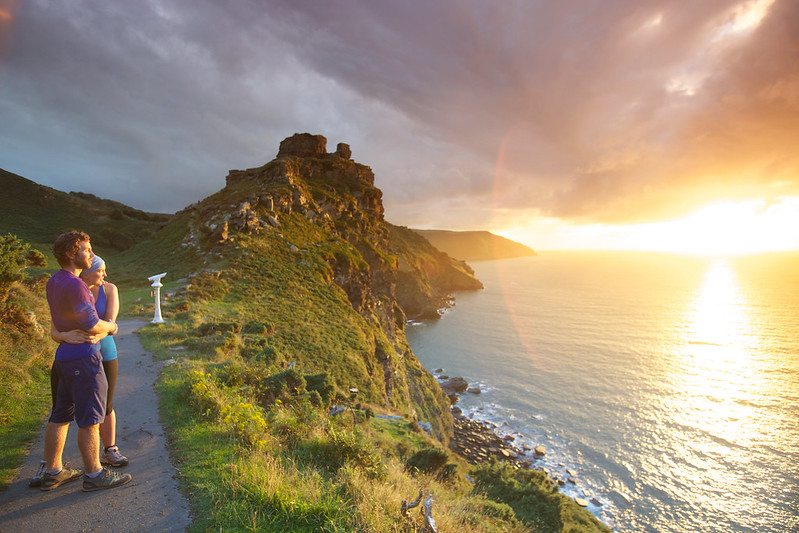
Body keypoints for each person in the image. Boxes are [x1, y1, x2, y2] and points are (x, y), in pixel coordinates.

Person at [39, 230, 131, 492]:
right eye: (87, 249)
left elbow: (58, 324)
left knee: (60, 414)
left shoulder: (54, 281)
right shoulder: (76, 284)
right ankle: (94, 474)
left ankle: (53, 471)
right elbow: (91, 325)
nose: (91, 254)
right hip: (83, 359)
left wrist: (64, 335)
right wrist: (112, 328)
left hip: (64, 358)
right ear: (71, 253)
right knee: (90, 417)